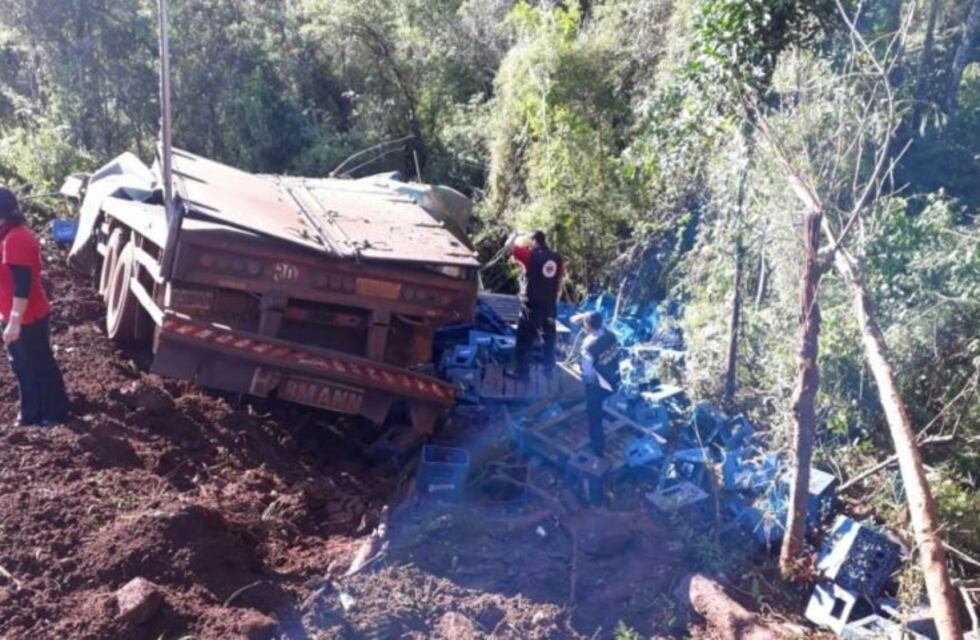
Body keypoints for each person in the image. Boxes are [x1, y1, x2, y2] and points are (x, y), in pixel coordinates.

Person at [0, 187, 68, 426]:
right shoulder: (6, 235)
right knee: (21, 365)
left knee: (38, 363)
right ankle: (30, 414)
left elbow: (23, 285)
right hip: (13, 314)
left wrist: (15, 321)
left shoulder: (15, 239)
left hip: (28, 316)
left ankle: (54, 413)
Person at [505, 229, 564, 378]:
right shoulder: (557, 258)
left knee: (524, 338)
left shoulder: (530, 255)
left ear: (534, 242)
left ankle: (521, 372)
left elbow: (509, 247)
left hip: (532, 305)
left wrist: (514, 235)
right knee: (549, 337)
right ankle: (549, 370)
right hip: (550, 305)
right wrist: (554, 299)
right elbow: (559, 280)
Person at [571, 310, 621, 457]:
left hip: (598, 386)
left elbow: (588, 373)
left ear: (588, 326)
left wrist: (579, 371)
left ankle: (598, 449)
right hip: (615, 379)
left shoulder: (588, 347)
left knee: (595, 417)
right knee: (605, 403)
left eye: (585, 324)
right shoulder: (611, 335)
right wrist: (583, 318)